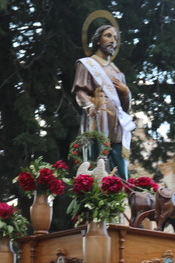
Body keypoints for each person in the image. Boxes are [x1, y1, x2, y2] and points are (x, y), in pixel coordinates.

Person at [72, 23, 134, 178]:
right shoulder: (87, 64)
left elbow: (125, 109)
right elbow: (80, 91)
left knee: (119, 167)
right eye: (108, 36)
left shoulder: (117, 72)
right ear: (98, 40)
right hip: (97, 120)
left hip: (117, 125)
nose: (112, 40)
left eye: (115, 37)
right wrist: (90, 106)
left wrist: (126, 93)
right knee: (96, 164)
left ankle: (122, 198)